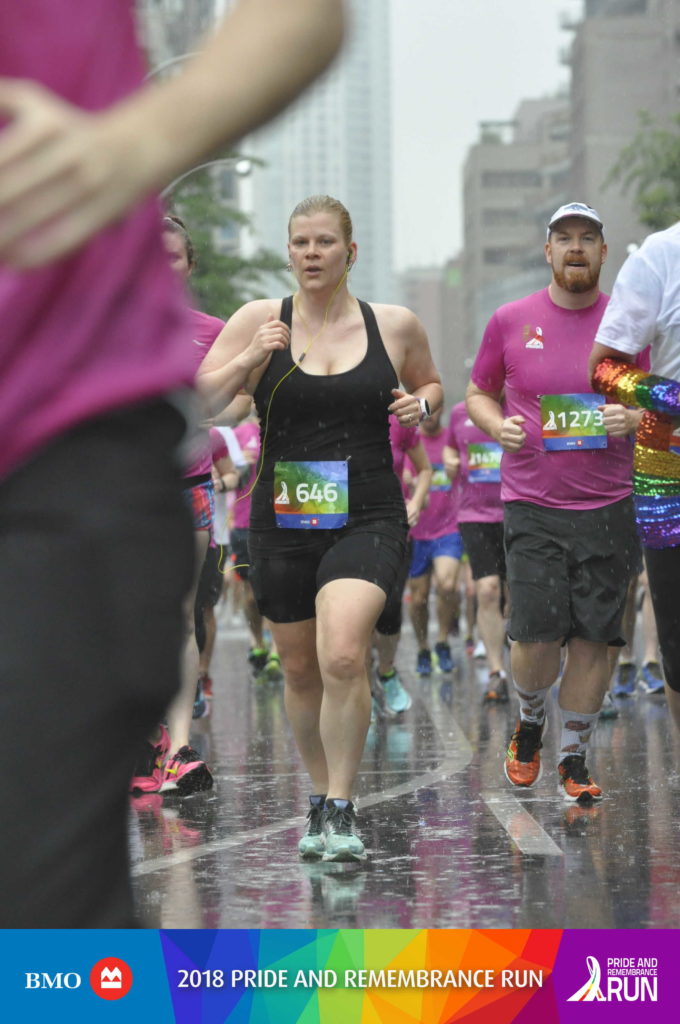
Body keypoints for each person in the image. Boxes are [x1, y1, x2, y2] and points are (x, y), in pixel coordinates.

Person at [0, 0, 345, 928]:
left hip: (56, 447)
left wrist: (133, 143)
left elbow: (304, 16)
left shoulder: (209, 325)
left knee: (43, 929)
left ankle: (181, 746)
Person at [197, 194, 442, 861]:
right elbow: (200, 402)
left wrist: (419, 406)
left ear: (350, 252)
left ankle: (342, 802)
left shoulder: (393, 324)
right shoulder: (258, 319)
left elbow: (432, 386)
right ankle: (317, 796)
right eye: (301, 242)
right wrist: (250, 357)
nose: (312, 253)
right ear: (289, 252)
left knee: (342, 652)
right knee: (301, 669)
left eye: (325, 242)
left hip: (369, 511)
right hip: (283, 516)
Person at [467, 202, 639, 804]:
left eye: (586, 239)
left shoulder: (629, 321)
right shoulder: (510, 319)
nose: (575, 248)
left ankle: (574, 755)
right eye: (563, 238)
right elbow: (479, 392)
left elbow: (666, 405)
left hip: (611, 505)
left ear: (602, 251)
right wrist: (496, 425)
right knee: (537, 635)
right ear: (547, 251)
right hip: (533, 504)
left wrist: (634, 416)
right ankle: (531, 719)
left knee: (597, 638)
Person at [589, 220, 680, 733]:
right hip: (668, 466)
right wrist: (673, 397)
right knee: (678, 643)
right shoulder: (659, 256)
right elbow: (603, 369)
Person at [444, 400, 508, 702]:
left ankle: (527, 668)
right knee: (487, 590)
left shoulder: (520, 402)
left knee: (517, 596)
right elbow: (450, 447)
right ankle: (497, 672)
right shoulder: (461, 412)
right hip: (475, 515)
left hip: (517, 510)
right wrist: (450, 461)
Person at [372, 418, 432, 717]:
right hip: (341, 529)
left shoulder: (398, 422)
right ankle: (359, 683)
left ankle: (385, 671)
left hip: (392, 526)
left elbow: (424, 469)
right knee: (354, 610)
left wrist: (416, 501)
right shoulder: (330, 412)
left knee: (390, 606)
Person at [407, 407, 463, 677]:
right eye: (424, 411)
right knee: (417, 599)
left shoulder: (452, 440)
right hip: (416, 531)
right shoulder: (410, 441)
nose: (429, 415)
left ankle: (441, 641)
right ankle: (422, 647)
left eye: (434, 409)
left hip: (448, 528)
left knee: (447, 583)